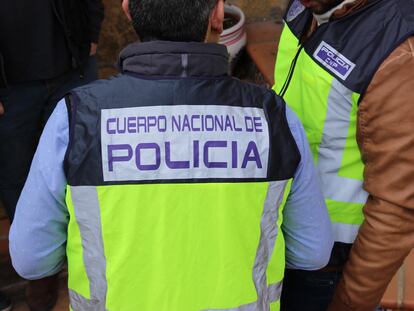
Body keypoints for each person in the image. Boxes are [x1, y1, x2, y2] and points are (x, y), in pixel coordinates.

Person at [9, 0, 334, 310]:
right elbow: (313, 252)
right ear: (218, 14)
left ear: (128, 12)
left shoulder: (77, 117)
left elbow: (31, 258)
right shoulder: (274, 117)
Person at [273, 0, 414, 310]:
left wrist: (350, 303)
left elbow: (397, 206)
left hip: (328, 270)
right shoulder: (309, 7)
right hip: (284, 237)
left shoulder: (398, 51)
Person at [0, 0, 104, 310]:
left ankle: (78, 263)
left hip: (73, 70)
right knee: (15, 177)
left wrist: (93, 34)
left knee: (84, 169)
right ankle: (39, 275)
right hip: (11, 90)